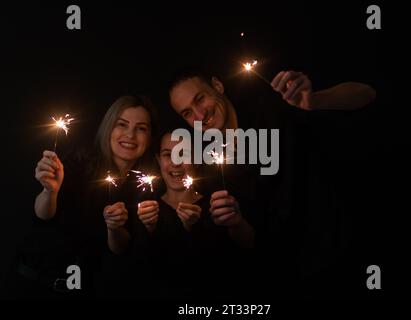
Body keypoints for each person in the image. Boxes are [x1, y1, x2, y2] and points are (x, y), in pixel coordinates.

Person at [166, 66, 377, 297]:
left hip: (346, 248)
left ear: (217, 86)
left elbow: (366, 93)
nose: (199, 115)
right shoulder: (209, 173)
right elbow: (252, 243)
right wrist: (235, 222)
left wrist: (314, 101)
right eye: (187, 113)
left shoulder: (276, 104)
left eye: (200, 99)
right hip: (291, 278)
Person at [4, 95, 157, 299]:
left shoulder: (144, 186)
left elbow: (120, 248)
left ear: (149, 137)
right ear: (108, 128)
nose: (130, 134)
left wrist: (114, 227)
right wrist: (50, 191)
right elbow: (43, 216)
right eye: (122, 124)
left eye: (141, 128)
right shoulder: (78, 162)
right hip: (32, 286)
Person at [112, 130, 254, 299]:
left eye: (183, 153)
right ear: (158, 160)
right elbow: (136, 271)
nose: (175, 162)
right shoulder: (145, 209)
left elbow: (245, 252)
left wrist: (234, 223)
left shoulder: (218, 204)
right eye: (167, 154)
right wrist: (149, 229)